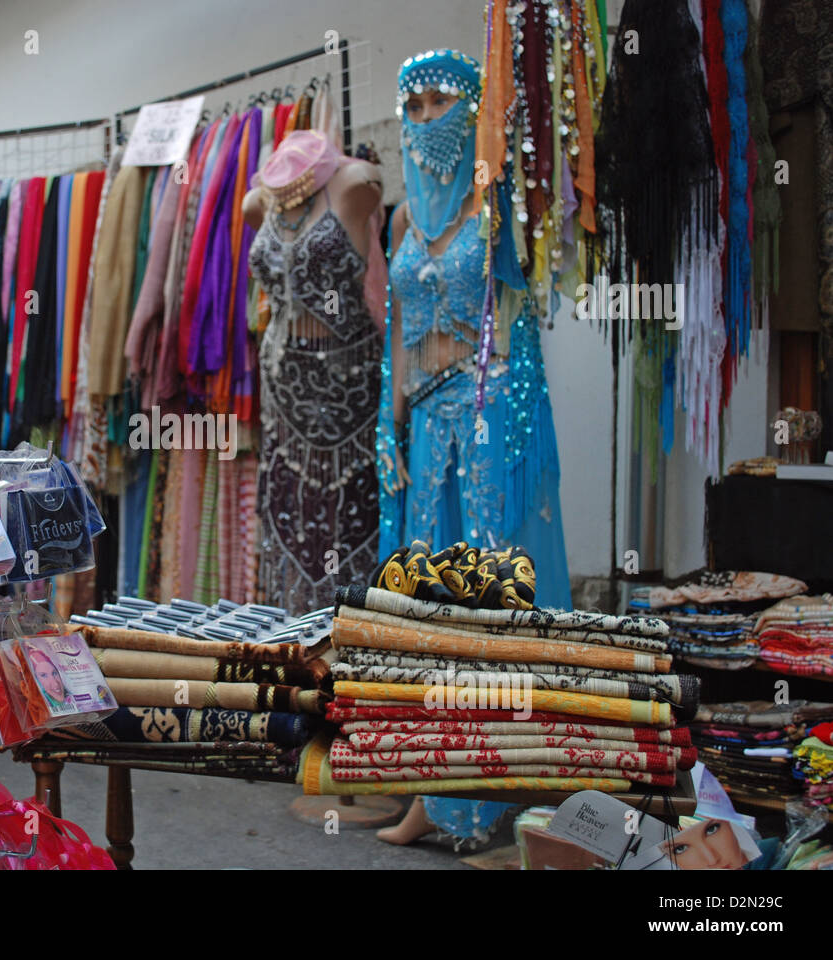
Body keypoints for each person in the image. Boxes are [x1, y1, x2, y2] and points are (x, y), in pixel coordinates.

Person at [375, 49, 570, 850]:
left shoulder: (495, 217)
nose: (425, 120)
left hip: (486, 417)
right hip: (423, 425)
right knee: (426, 606)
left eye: (439, 102)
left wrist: (511, 430)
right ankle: (432, 787)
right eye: (411, 105)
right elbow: (395, 332)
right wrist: (387, 429)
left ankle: (496, 790)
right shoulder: (398, 220)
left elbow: (521, 333)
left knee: (486, 601)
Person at [243, 130, 389, 613]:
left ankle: (363, 631)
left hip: (351, 381)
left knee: (355, 506)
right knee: (293, 507)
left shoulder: (356, 182)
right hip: (283, 386)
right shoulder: (259, 200)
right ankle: (297, 629)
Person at [26, 645, 74, 714]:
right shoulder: (37, 710)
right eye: (44, 675)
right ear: (36, 681)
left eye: (54, 673)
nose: (55, 683)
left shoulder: (76, 699)